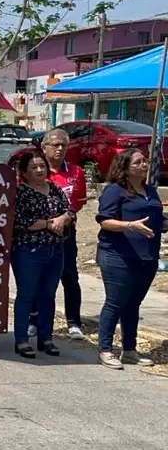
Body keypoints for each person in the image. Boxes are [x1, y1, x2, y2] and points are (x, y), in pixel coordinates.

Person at [94, 149, 165, 369]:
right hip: (118, 255)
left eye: (145, 161)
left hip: (146, 257)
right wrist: (129, 225)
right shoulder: (115, 191)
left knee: (133, 304)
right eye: (139, 162)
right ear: (126, 167)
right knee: (116, 302)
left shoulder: (150, 191)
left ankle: (130, 350)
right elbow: (105, 221)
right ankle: (105, 350)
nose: (145, 165)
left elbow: (158, 221)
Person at [11, 151, 72, 359]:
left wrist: (63, 219)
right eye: (34, 167)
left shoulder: (55, 188)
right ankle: (21, 340)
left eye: (42, 166)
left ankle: (46, 338)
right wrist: (48, 223)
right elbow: (19, 222)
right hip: (28, 251)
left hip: (56, 250)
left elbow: (69, 211)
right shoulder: (20, 193)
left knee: (48, 295)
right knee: (26, 295)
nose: (39, 170)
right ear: (24, 172)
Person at [28, 129, 86, 341]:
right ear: (44, 148)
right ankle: (34, 320)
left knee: (70, 277)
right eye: (55, 145)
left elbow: (78, 202)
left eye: (63, 145)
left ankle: (73, 322)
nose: (60, 149)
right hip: (39, 233)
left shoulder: (77, 172)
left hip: (65, 233)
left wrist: (65, 219)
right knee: (38, 278)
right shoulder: (34, 170)